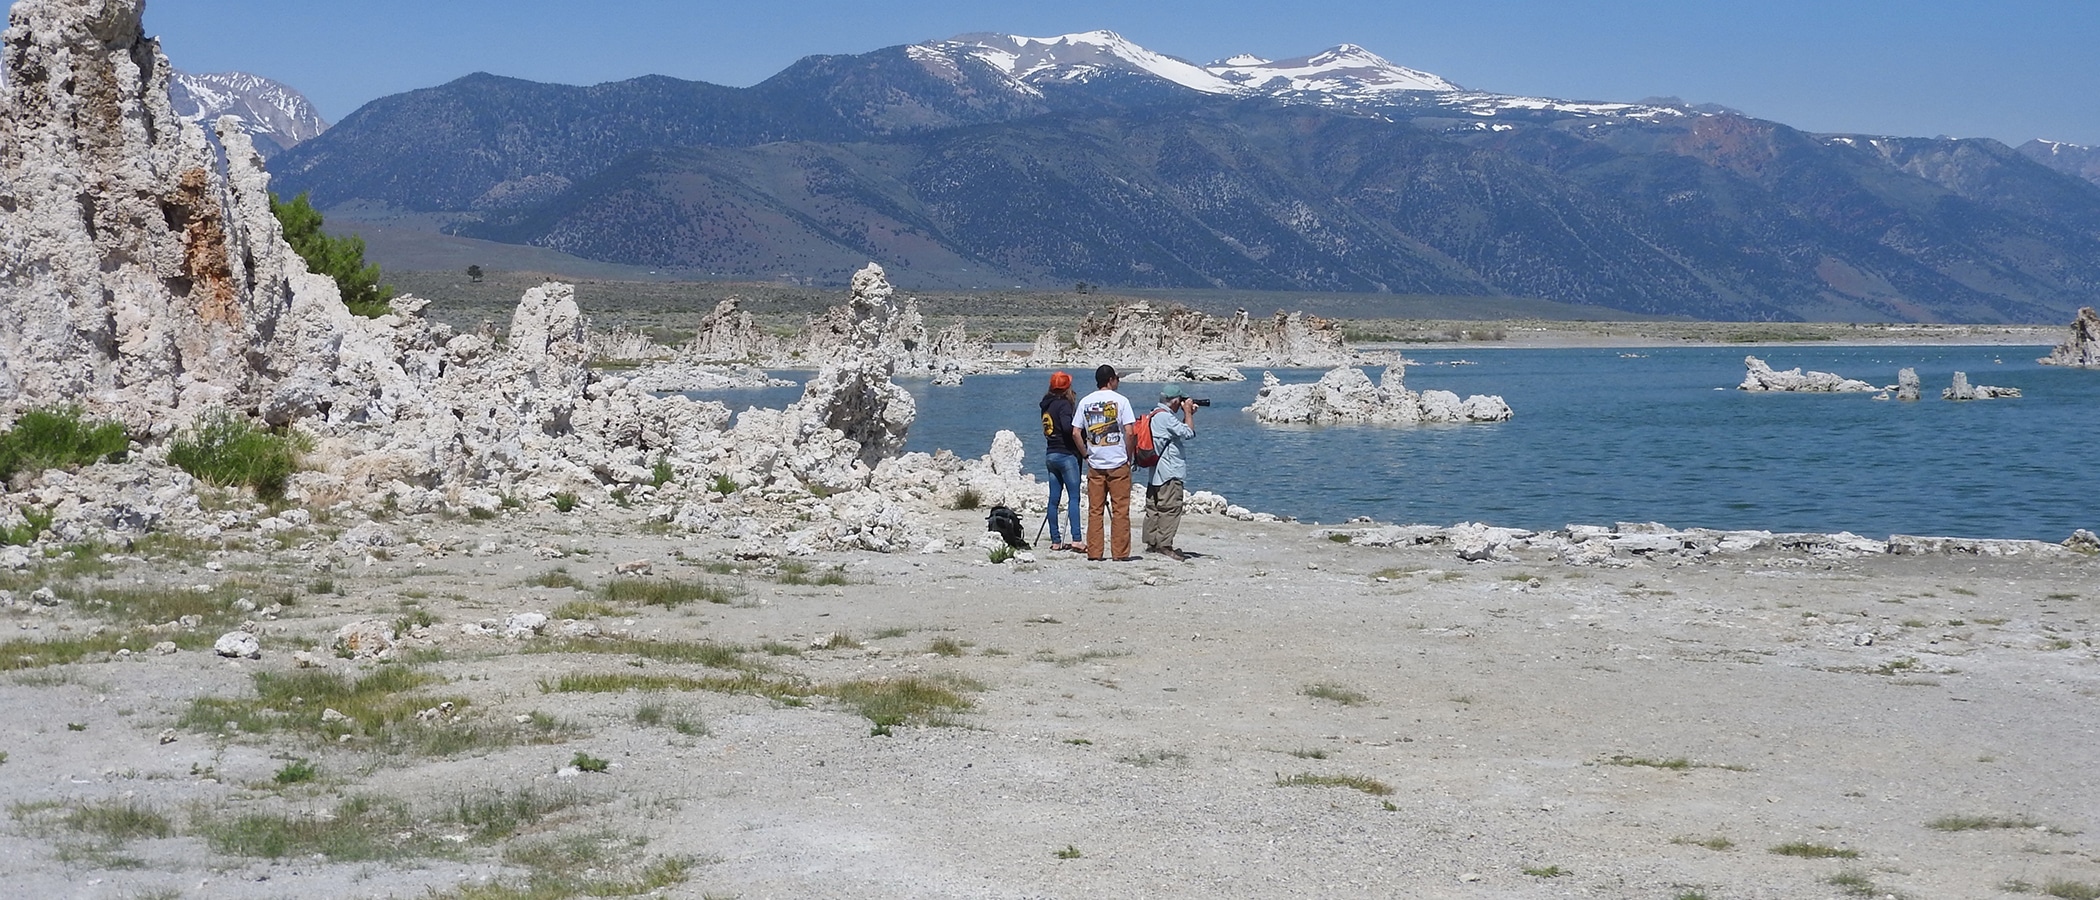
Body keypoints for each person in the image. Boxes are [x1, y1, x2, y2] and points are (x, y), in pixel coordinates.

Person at [1071, 364, 1137, 561]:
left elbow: (1075, 432)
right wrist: (1128, 455)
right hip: (1118, 462)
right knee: (1120, 510)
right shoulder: (1121, 401)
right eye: (1116, 378)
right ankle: (1120, 553)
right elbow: (1130, 431)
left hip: (1096, 463)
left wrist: (1085, 454)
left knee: (1095, 510)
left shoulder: (1085, 402)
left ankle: (1095, 552)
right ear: (1111, 380)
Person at [1140, 383, 1197, 561]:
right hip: (1169, 471)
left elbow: (1175, 432)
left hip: (1155, 472)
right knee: (1170, 508)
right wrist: (1188, 413)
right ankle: (1165, 545)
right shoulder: (1165, 417)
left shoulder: (1154, 414)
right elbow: (1188, 433)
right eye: (1179, 400)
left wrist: (1186, 414)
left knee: (1153, 507)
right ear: (1173, 401)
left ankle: (1152, 542)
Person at [1038, 371, 1084, 552]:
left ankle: (1056, 540)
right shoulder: (1064, 405)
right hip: (1066, 455)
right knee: (1073, 498)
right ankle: (1077, 539)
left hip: (1051, 454)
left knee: (1053, 500)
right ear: (1067, 387)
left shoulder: (1046, 405)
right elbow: (1067, 427)